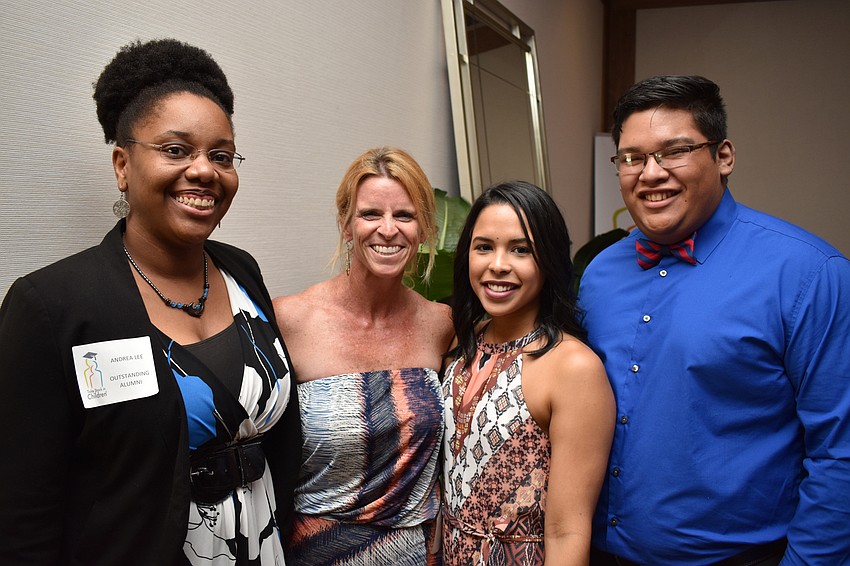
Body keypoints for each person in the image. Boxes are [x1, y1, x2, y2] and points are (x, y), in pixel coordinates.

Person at [0, 39, 301, 565]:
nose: (205, 170)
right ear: (122, 165)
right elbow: (22, 512)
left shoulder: (241, 270)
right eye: (176, 149)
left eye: (222, 155)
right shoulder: (52, 307)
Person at [581, 75, 850, 565]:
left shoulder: (810, 274)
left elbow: (840, 453)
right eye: (632, 158)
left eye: (675, 151)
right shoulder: (598, 274)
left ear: (723, 156)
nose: (651, 173)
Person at [273, 146, 454, 564]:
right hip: (315, 552)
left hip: (415, 552)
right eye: (371, 214)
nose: (388, 230)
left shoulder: (442, 324)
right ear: (345, 224)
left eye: (404, 216)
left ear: (424, 227)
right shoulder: (290, 319)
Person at [442, 180, 615, 565]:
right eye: (483, 247)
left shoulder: (573, 367)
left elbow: (567, 530)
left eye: (520, 250)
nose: (498, 265)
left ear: (549, 260)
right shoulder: (460, 341)